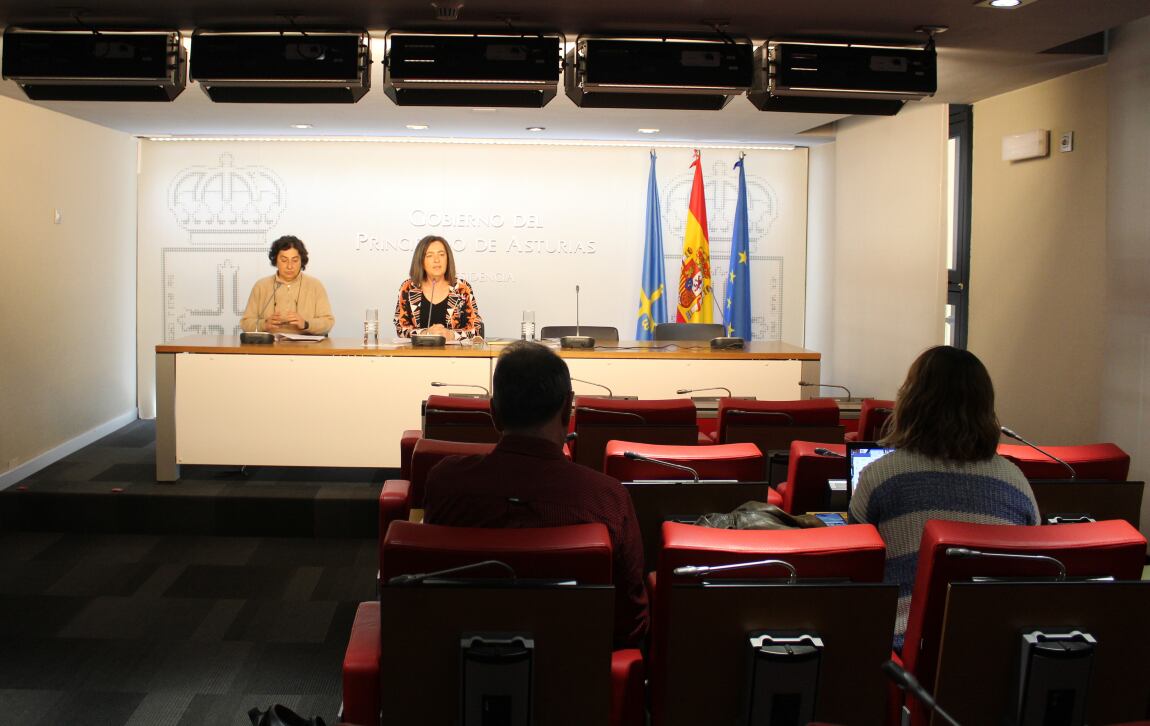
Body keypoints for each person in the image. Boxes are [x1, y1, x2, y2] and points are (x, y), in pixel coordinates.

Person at [423, 341, 649, 649]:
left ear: (494, 413)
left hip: (457, 671)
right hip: (577, 678)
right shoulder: (607, 500)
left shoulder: (445, 483)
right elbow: (631, 624)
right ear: (568, 408)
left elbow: (429, 597)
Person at [848, 345, 1039, 651]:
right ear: (986, 407)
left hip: (905, 650)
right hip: (997, 652)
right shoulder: (1016, 482)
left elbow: (856, 570)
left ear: (911, 401)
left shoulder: (880, 476)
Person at [393, 235, 483, 341]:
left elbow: (476, 329)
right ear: (420, 260)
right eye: (429, 255)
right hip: (417, 355)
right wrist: (425, 333)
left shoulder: (462, 289)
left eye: (441, 254)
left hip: (455, 356)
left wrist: (451, 335)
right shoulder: (408, 288)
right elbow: (401, 328)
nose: (437, 260)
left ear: (448, 259)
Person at [240, 235, 334, 335]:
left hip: (306, 348)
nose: (290, 266)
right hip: (270, 347)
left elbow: (328, 322)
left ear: (301, 261)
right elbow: (245, 323)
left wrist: (306, 324)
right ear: (275, 260)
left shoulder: (315, 285)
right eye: (284, 260)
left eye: (295, 260)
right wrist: (264, 324)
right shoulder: (261, 286)